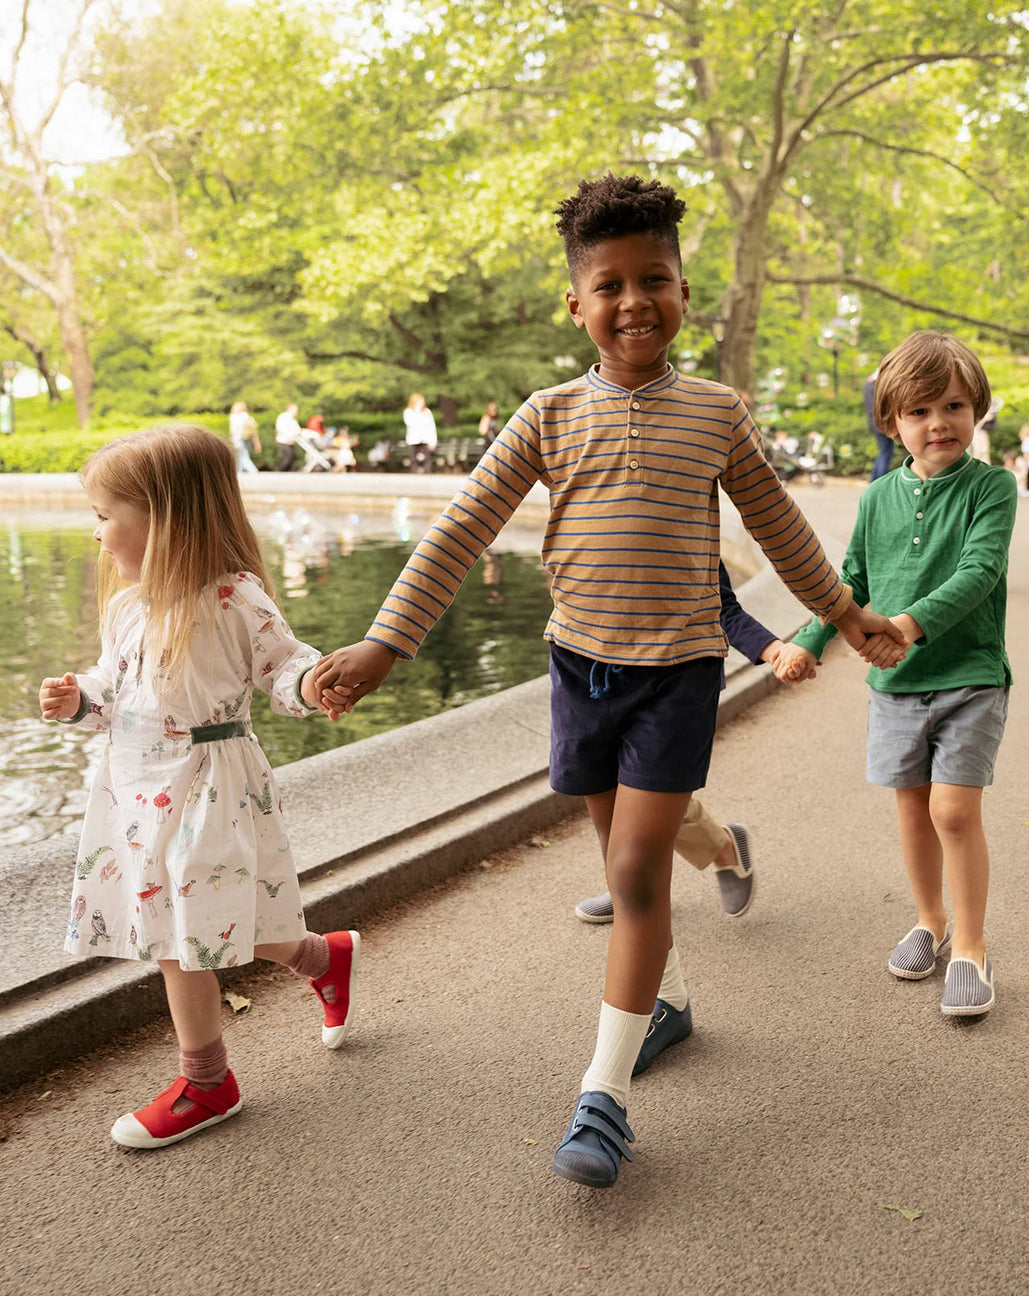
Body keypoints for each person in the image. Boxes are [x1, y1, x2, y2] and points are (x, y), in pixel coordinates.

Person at [310, 173, 903, 1191]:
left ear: (684, 292)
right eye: (612, 284)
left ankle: (603, 1099)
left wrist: (845, 616)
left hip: (676, 678)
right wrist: (383, 644)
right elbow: (461, 531)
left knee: (632, 875)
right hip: (579, 674)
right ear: (577, 305)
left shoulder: (716, 414)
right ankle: (663, 1005)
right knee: (631, 862)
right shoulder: (545, 417)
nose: (636, 300)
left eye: (656, 280)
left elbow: (780, 530)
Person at [37, 424, 359, 1150]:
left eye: (104, 516)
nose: (96, 534)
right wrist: (81, 699)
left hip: (208, 790)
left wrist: (316, 683)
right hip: (137, 792)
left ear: (165, 519)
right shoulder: (129, 608)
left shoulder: (233, 599)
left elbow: (285, 667)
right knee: (212, 922)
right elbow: (118, 689)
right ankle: (321, 956)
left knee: (183, 941)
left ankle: (208, 1082)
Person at [790, 331, 1016, 1019]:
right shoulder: (877, 496)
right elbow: (851, 577)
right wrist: (810, 639)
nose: (938, 423)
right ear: (892, 423)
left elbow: (980, 572)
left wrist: (905, 627)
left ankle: (972, 946)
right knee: (912, 809)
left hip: (970, 672)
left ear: (976, 409)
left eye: (952, 405)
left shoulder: (992, 487)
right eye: (918, 411)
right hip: (896, 686)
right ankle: (931, 921)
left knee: (953, 808)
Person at [573, 557, 818, 939]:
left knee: (651, 790)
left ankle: (642, 883)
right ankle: (631, 880)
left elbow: (722, 608)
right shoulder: (583, 517)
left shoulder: (688, 528)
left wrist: (773, 651)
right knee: (608, 787)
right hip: (593, 676)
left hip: (673, 679)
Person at [865, 369, 894, 481]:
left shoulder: (868, 383)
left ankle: (874, 480)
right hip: (881, 424)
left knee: (883, 452)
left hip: (874, 423)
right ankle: (879, 481)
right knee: (886, 453)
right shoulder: (875, 384)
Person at [404, 393, 438, 473]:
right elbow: (410, 423)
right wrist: (417, 411)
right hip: (413, 439)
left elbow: (431, 427)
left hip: (426, 439)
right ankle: (415, 473)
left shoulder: (427, 412)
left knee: (428, 458)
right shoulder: (408, 412)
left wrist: (433, 441)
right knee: (413, 459)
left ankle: (428, 473)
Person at [228, 401, 261, 475]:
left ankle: (253, 471)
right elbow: (254, 431)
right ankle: (239, 472)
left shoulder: (234, 417)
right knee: (242, 455)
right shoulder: (248, 417)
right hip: (247, 439)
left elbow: (232, 430)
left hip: (238, 439)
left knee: (243, 456)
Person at [274, 402, 302, 472]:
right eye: (295, 410)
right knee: (286, 458)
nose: (297, 412)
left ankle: (289, 473)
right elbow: (280, 428)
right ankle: (277, 471)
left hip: (290, 442)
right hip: (283, 441)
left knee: (292, 458)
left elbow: (297, 429)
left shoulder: (292, 419)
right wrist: (291, 434)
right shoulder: (283, 417)